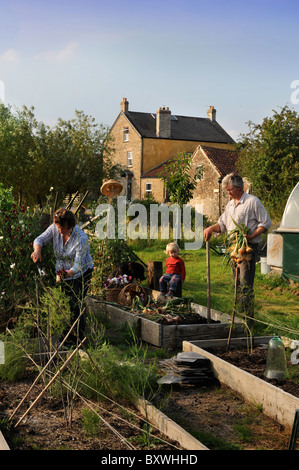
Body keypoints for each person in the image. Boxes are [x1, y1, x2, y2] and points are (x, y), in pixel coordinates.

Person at [203, 173, 271, 328]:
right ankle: (238, 320)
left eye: (229, 190)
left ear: (239, 188)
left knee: (245, 285)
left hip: (247, 249)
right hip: (234, 250)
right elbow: (222, 225)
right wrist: (210, 228)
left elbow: (265, 222)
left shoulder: (252, 202)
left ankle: (249, 323)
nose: (227, 192)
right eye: (226, 190)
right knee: (235, 286)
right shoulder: (230, 205)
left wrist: (251, 235)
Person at [31, 208, 94, 343]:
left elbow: (77, 265)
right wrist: (37, 251)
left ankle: (76, 340)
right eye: (59, 227)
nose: (60, 231)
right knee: (64, 303)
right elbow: (40, 239)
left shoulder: (81, 238)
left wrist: (67, 274)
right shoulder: (55, 228)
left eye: (63, 229)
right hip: (63, 272)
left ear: (71, 226)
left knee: (75, 303)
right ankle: (66, 337)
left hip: (81, 272)